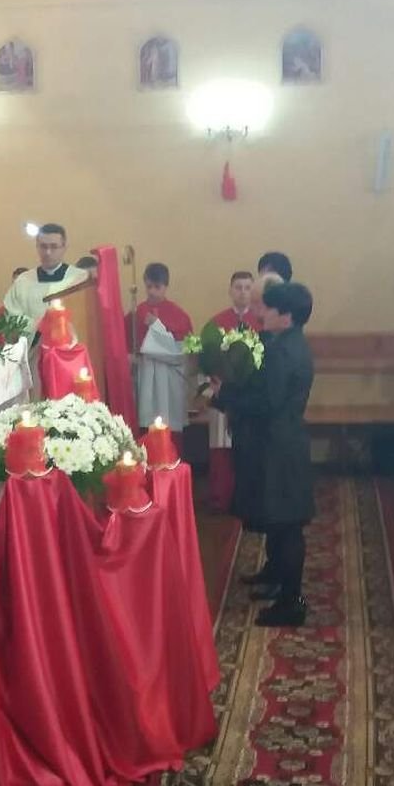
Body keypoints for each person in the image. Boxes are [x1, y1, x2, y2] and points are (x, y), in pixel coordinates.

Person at [212, 282, 315, 627]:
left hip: (278, 447)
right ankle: (276, 575)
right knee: (279, 519)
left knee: (287, 525)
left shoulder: (282, 352)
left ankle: (291, 601)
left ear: (285, 316)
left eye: (267, 308)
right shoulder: (288, 342)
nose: (261, 313)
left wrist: (224, 397)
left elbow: (266, 402)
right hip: (281, 442)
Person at [206, 271, 261, 512]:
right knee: (221, 446)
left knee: (249, 448)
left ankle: (248, 498)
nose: (242, 292)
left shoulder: (260, 322)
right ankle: (221, 497)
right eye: (238, 287)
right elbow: (207, 358)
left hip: (249, 396)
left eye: (247, 288)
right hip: (221, 393)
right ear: (230, 291)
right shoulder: (217, 323)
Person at [126, 262, 193, 445]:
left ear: (166, 286)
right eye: (149, 286)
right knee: (145, 426)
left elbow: (182, 352)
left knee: (170, 429)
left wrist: (157, 327)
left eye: (157, 287)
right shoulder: (137, 313)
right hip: (144, 376)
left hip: (168, 379)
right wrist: (130, 357)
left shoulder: (179, 315)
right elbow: (126, 345)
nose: (152, 292)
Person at [3, 223, 87, 332]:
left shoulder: (80, 279)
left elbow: (86, 317)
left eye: (54, 246)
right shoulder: (23, 281)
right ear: (37, 247)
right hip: (33, 341)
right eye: (43, 246)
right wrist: (40, 325)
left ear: (64, 247)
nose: (48, 252)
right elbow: (12, 318)